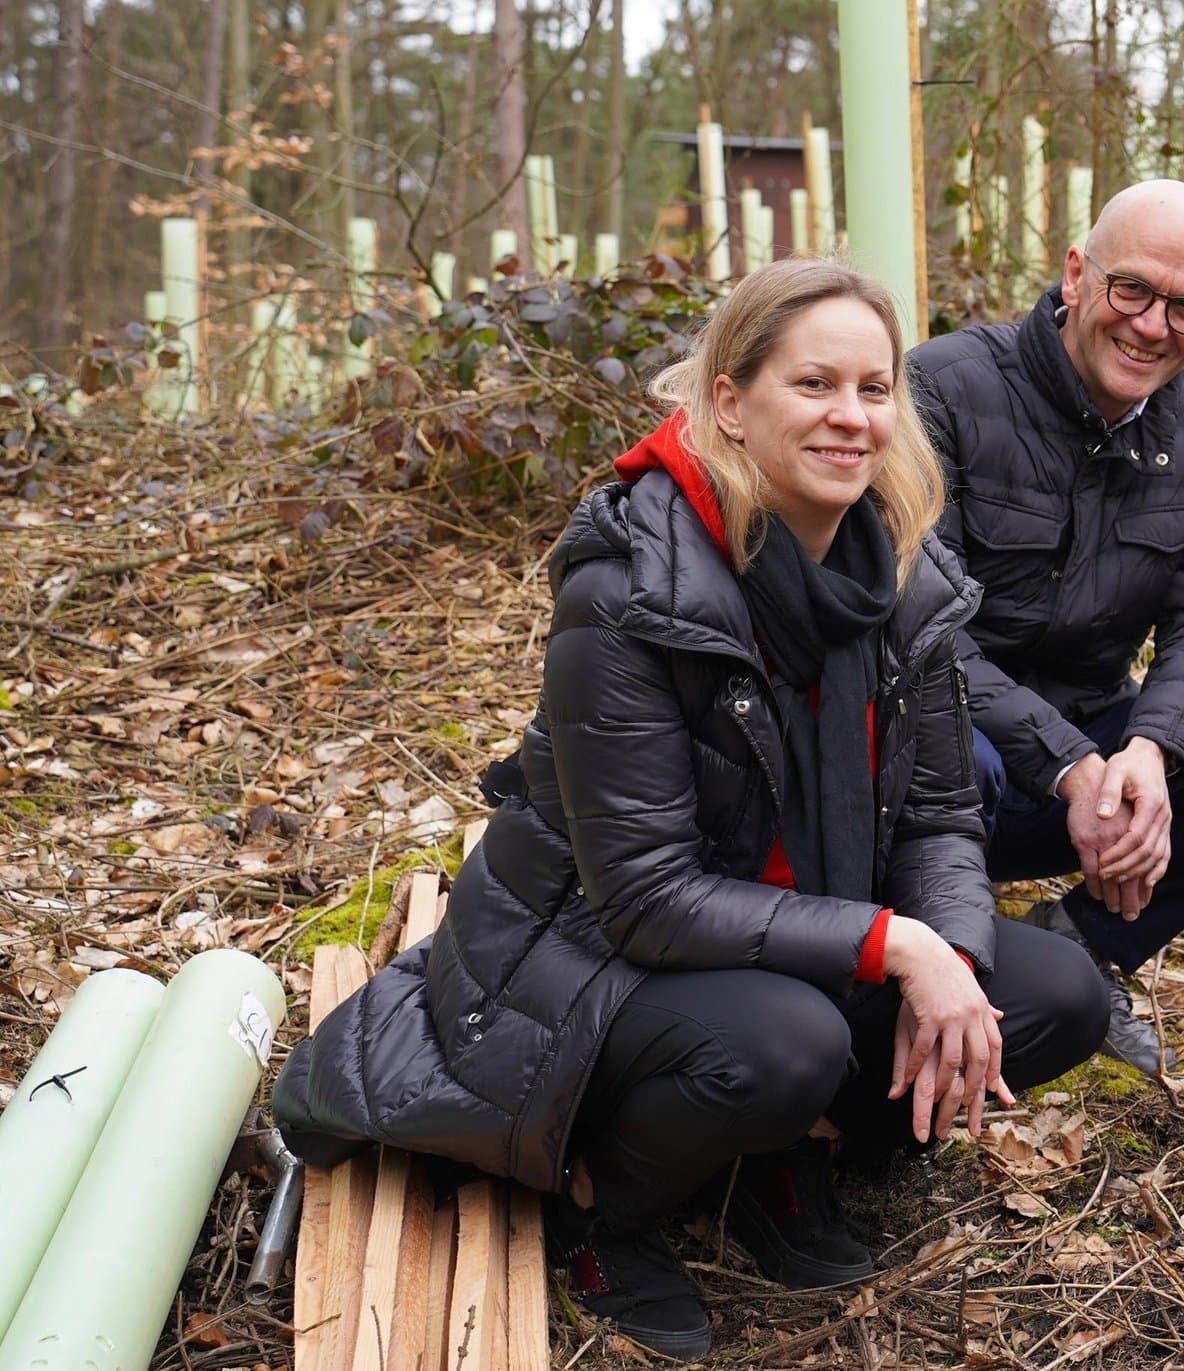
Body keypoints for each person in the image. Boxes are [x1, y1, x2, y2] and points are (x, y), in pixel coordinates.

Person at [274, 258, 1111, 1359]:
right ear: (730, 402)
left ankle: (778, 1156)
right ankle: (601, 1208)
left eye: (874, 388)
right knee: (788, 1044)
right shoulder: (631, 588)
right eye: (813, 384)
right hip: (592, 956)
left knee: (1058, 996)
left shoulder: (903, 575)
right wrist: (898, 946)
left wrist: (947, 950)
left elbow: (943, 813)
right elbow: (646, 898)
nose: (851, 417)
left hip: (799, 934)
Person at [908, 179, 1184, 1076]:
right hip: (955, 756)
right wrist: (1070, 765)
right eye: (1133, 289)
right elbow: (919, 632)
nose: (1152, 326)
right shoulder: (943, 387)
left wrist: (1152, 752)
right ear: (1077, 274)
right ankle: (956, 977)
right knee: (954, 752)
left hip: (1098, 751)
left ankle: (1082, 944)